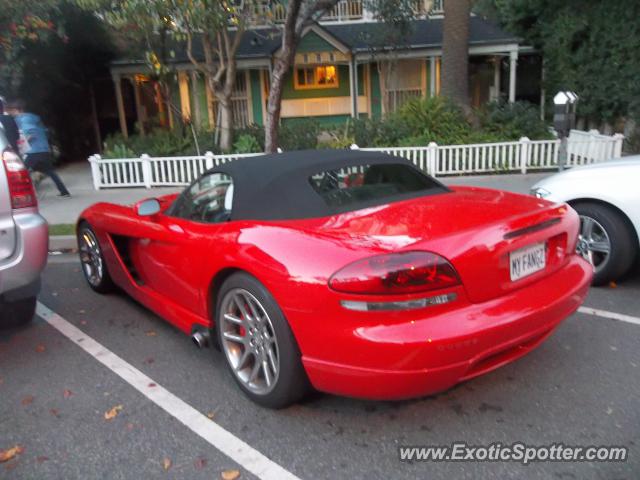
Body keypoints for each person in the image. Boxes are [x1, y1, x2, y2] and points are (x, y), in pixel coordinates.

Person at [7, 100, 70, 197]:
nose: (10, 113)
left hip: (33, 151)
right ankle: (64, 191)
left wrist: (20, 144)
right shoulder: (33, 118)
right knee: (50, 172)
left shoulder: (24, 119)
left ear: (16, 110)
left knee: (21, 172)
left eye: (11, 111)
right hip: (44, 149)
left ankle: (22, 194)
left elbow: (30, 133)